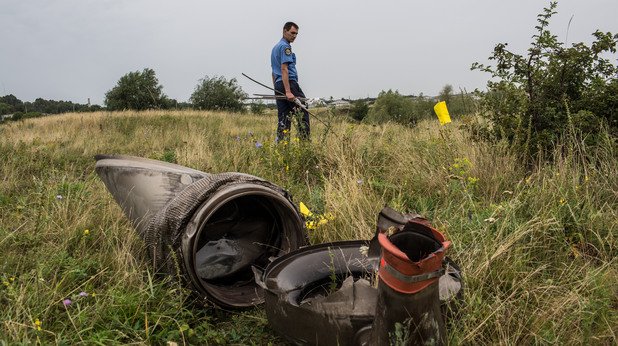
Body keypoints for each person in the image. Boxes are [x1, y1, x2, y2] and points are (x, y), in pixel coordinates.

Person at [271, 21, 310, 142]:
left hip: (278, 84)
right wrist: (287, 90)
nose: (294, 36)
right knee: (302, 112)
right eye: (292, 33)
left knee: (284, 117)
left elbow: (273, 71)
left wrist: (277, 90)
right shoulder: (285, 47)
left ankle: (282, 147)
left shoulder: (275, 48)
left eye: (296, 34)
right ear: (284, 31)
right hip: (289, 84)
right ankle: (305, 146)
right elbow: (284, 68)